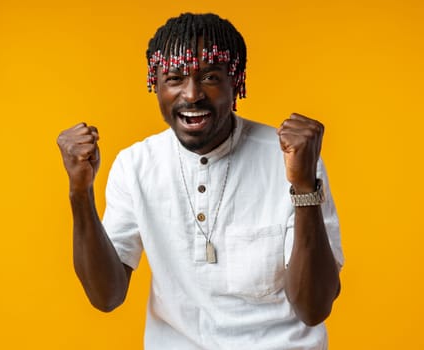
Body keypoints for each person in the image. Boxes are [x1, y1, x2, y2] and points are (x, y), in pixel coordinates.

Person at [57, 12, 343, 350]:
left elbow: (314, 308)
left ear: (235, 82)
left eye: (209, 76)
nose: (192, 95)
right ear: (156, 85)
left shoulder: (291, 159)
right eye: (175, 77)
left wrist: (304, 186)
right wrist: (80, 192)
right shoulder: (136, 166)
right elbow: (106, 296)